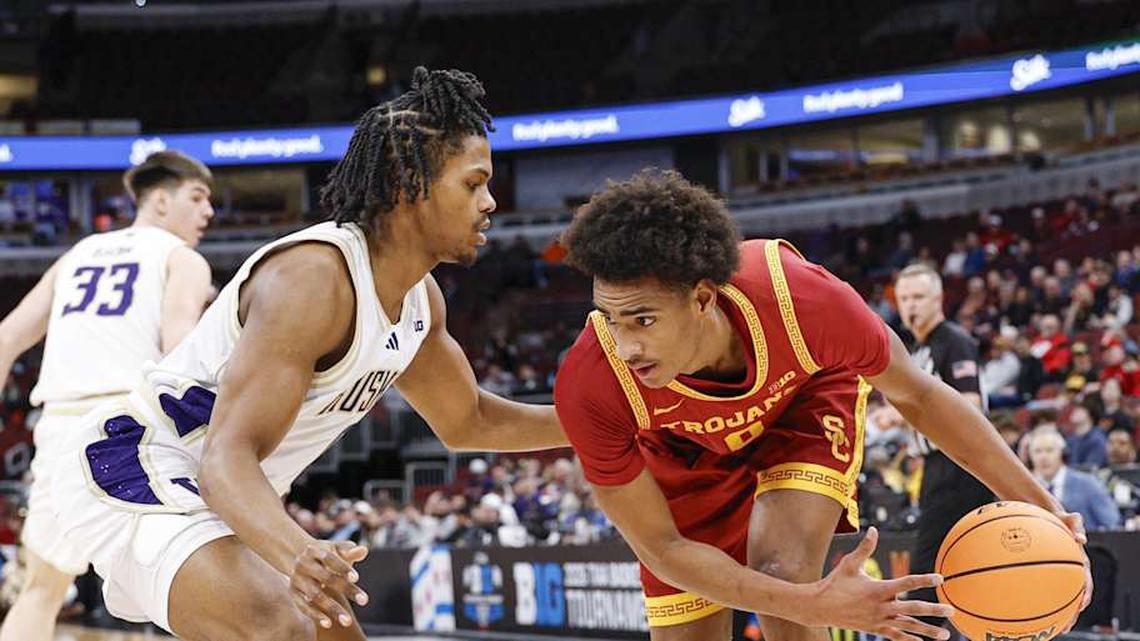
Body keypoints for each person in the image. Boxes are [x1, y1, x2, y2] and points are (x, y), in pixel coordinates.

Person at [50, 68, 567, 641]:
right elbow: (224, 459)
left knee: (333, 634)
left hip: (227, 492)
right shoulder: (314, 279)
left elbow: (470, 420)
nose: (490, 202)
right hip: (143, 463)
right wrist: (298, 550)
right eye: (472, 184)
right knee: (282, 625)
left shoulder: (421, 301)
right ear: (408, 182)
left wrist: (602, 423)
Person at [554, 170, 1090, 641]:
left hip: (801, 402)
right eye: (611, 318)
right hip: (680, 448)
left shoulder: (800, 299)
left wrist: (1045, 507)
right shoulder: (593, 380)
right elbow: (664, 550)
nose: (626, 345)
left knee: (782, 572)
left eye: (643, 320)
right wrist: (817, 605)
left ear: (702, 298)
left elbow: (919, 394)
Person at [0, 150, 215, 641]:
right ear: (160, 201)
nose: (208, 211)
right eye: (198, 197)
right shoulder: (182, 258)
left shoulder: (77, 254)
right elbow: (179, 350)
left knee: (42, 591)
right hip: (130, 430)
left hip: (60, 429)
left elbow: (7, 337)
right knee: (199, 580)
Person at [893, 262, 995, 637]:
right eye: (904, 298)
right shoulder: (916, 349)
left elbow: (970, 407)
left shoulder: (954, 341)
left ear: (938, 299)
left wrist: (911, 413)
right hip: (936, 466)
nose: (911, 305)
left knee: (930, 567)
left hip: (959, 466)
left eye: (918, 297)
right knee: (958, 567)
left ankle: (919, 634)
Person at [1029, 430, 1121, 530]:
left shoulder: (1087, 483)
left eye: (1049, 450)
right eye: (1037, 451)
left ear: (1062, 453)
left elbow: (1112, 522)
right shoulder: (1029, 487)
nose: (1043, 457)